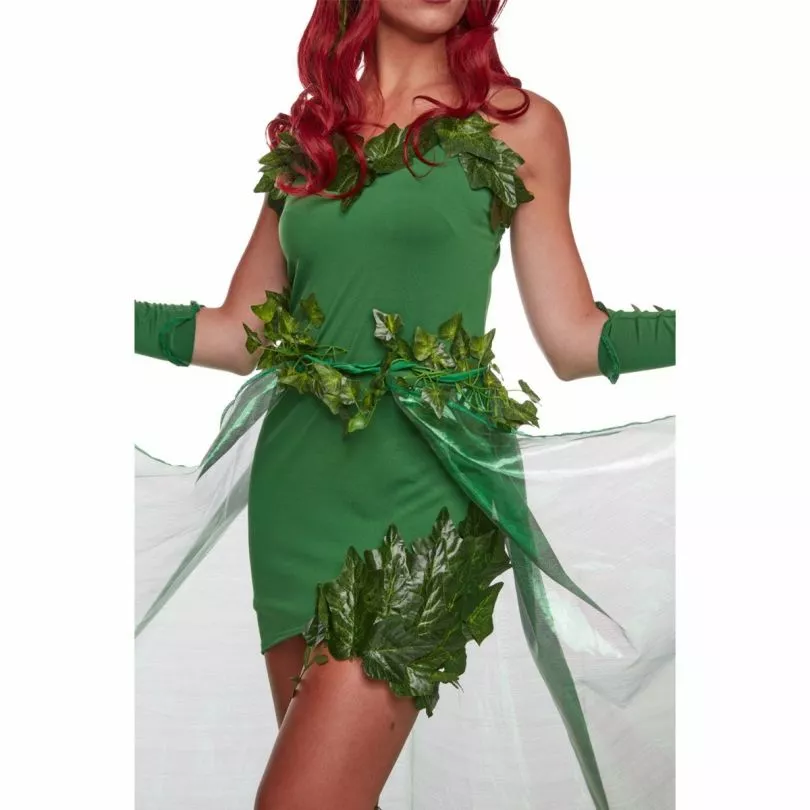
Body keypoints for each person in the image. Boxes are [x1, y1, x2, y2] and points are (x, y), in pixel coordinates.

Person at [134, 1, 675, 808]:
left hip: (425, 498)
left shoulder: (519, 125)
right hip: (297, 497)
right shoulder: (311, 136)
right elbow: (246, 330)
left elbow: (573, 339)